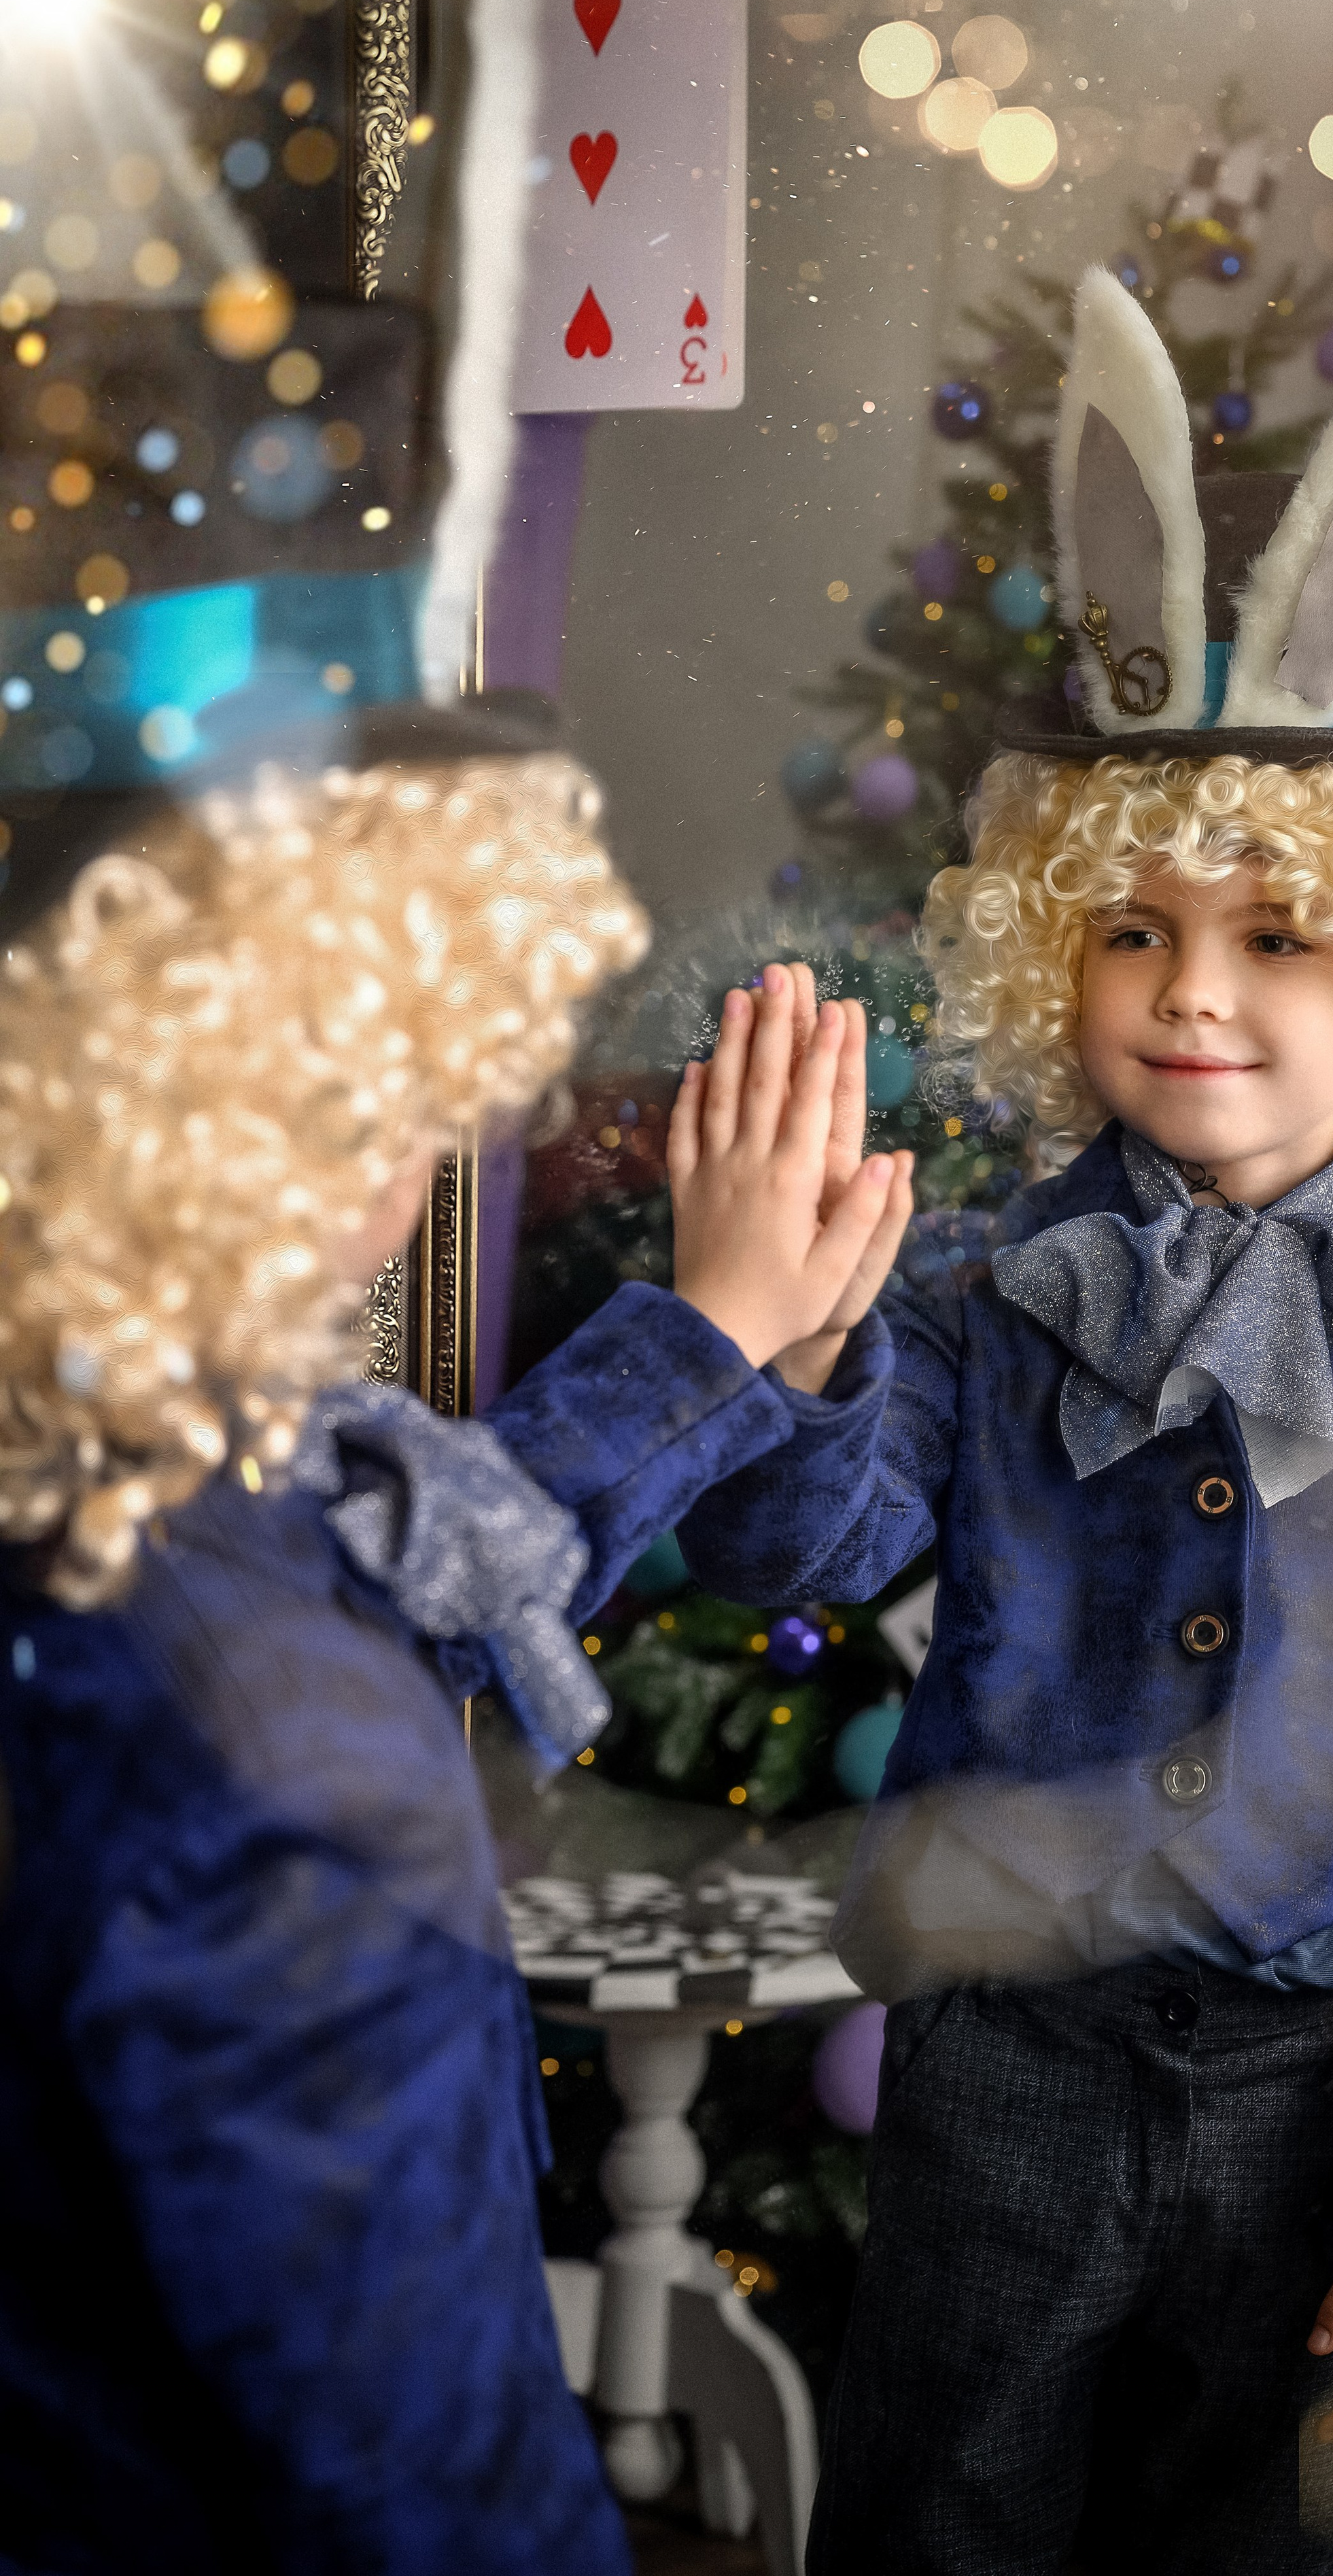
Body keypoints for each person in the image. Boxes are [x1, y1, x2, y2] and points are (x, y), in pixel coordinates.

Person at [674, 273, 1333, 2573]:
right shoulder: (973, 1302)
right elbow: (789, 1560)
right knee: (937, 2527)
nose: (1195, 990)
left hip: (1311, 2095)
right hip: (1007, 2075)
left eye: (1280, 935)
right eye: (1136, 932)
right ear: (1043, 953)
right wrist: (775, 1348)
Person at [0, 713, 910, 2573]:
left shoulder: (106, 1494)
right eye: (400, 1097)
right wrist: (712, 1331)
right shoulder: (267, 1723)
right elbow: (420, 2463)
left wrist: (723, 1337)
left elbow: (414, 1563)